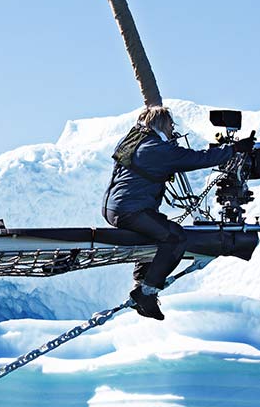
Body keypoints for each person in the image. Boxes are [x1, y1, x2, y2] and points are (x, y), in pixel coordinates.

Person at [102, 105, 244, 320]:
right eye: (170, 124)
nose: (172, 129)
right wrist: (233, 150)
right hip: (130, 209)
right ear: (160, 124)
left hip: (118, 207)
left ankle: (142, 285)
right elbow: (196, 158)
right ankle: (147, 292)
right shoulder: (155, 148)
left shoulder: (136, 140)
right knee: (176, 238)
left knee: (156, 234)